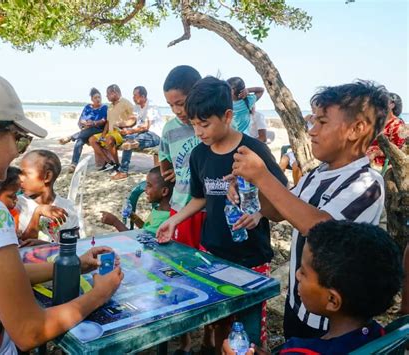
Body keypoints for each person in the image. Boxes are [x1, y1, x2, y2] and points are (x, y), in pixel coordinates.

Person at [0, 70, 123, 353]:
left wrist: (75, 265)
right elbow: (30, 331)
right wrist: (100, 294)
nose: (17, 153)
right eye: (19, 139)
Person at [229, 80, 389, 339]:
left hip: (332, 319)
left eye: (322, 122)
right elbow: (278, 212)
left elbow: (321, 228)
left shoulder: (367, 183)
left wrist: (263, 176)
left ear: (357, 129)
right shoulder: (316, 174)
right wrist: (252, 187)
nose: (312, 131)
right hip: (300, 302)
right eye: (313, 121)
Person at [157, 77, 287, 351]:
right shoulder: (198, 156)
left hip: (250, 256)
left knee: (250, 332)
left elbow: (280, 196)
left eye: (204, 124)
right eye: (193, 124)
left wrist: (260, 212)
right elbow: (200, 198)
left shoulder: (253, 151)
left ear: (227, 116)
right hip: (212, 253)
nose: (198, 132)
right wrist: (173, 220)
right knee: (218, 323)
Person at [222, 220, 403, 355]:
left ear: (332, 300)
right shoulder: (382, 336)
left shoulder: (299, 351)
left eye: (304, 272)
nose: (297, 275)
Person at [159, 65, 205, 250]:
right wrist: (170, 173)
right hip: (179, 207)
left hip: (208, 209)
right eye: (171, 105)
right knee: (181, 259)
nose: (177, 111)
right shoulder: (170, 129)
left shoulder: (210, 127)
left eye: (180, 103)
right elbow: (164, 161)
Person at [17, 149, 79, 243]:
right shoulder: (17, 204)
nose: (20, 179)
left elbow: (74, 245)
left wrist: (48, 246)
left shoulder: (67, 208)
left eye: (26, 174)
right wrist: (37, 212)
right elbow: (22, 245)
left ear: (47, 176)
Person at [111, 86, 161, 180]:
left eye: (135, 95)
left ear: (143, 96)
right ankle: (116, 164)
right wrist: (119, 124)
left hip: (154, 135)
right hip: (141, 134)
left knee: (129, 142)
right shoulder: (137, 107)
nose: (133, 97)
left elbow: (146, 127)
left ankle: (123, 171)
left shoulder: (151, 107)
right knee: (124, 138)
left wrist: (130, 131)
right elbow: (131, 121)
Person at [101, 166, 173, 232]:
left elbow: (139, 240)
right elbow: (145, 229)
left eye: (149, 186)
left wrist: (115, 222)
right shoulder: (159, 209)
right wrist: (132, 215)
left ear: (164, 191)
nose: (145, 189)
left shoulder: (163, 219)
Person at [59, 88, 108, 172]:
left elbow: (104, 120)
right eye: (95, 98)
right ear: (92, 99)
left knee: (89, 130)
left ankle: (71, 137)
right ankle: (74, 164)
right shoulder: (87, 107)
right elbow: (81, 120)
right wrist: (84, 125)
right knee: (79, 141)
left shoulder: (104, 107)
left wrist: (93, 123)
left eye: (99, 97)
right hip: (86, 130)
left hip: (99, 130)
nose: (98, 99)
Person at [89, 84, 135, 172]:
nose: (106, 96)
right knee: (92, 139)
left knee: (108, 139)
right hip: (110, 133)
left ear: (114, 93)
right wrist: (102, 135)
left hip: (120, 133)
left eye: (108, 94)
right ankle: (109, 162)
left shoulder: (126, 103)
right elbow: (108, 122)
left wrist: (124, 125)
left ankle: (117, 165)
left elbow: (134, 120)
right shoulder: (110, 106)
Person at [366, 92, 406, 169]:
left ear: (392, 105)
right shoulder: (376, 123)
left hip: (381, 165)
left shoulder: (398, 125)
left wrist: (374, 153)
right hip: (365, 159)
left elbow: (398, 151)